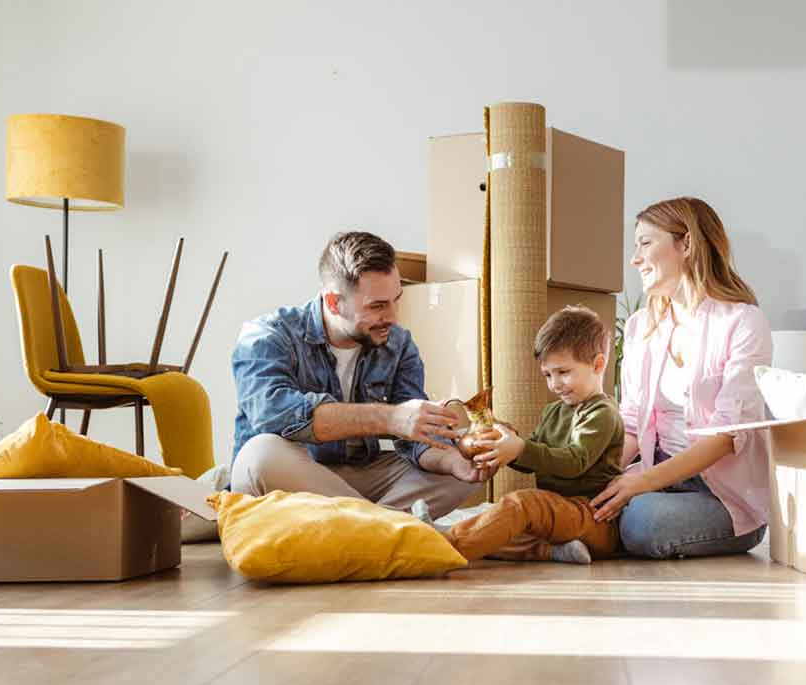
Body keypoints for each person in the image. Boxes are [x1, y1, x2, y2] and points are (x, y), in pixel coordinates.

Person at [229, 231, 489, 517]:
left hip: (355, 478)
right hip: (294, 476)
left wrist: (454, 461)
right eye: (377, 306)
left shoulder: (398, 344)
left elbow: (416, 440)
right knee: (260, 455)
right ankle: (385, 527)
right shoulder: (268, 335)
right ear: (333, 302)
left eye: (396, 300)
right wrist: (392, 417)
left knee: (458, 466)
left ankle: (366, 529)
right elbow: (272, 414)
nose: (392, 317)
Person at [590, 197, 773, 559]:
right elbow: (630, 422)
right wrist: (598, 481)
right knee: (590, 499)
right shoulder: (642, 326)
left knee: (642, 521)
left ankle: (587, 534)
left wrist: (641, 484)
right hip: (655, 476)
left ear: (686, 244)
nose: (634, 259)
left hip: (717, 496)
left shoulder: (743, 322)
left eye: (645, 243)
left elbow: (726, 435)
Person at [437, 306, 626, 564]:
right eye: (548, 375)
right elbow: (533, 453)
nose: (554, 384)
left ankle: (439, 547)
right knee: (499, 524)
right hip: (557, 514)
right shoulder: (554, 412)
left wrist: (519, 449)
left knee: (520, 506)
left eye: (563, 372)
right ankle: (554, 552)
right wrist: (504, 446)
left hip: (593, 517)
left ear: (598, 364)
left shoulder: (602, 413)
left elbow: (574, 461)